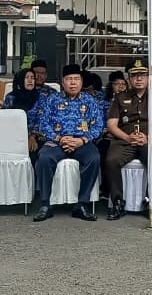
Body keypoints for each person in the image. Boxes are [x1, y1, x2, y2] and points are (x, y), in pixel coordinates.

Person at [32, 64, 104, 222]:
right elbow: (43, 125)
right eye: (69, 79)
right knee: (44, 159)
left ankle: (81, 204)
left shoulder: (89, 101)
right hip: (57, 142)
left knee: (94, 158)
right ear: (62, 82)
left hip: (82, 142)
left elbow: (98, 126)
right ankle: (45, 204)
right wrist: (59, 138)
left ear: (81, 81)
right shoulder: (52, 99)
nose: (73, 83)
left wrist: (82, 140)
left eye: (76, 79)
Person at [103, 60, 152, 220]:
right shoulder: (119, 97)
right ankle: (118, 202)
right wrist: (127, 137)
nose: (139, 79)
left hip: (150, 139)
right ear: (129, 79)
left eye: (142, 75)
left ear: (148, 78)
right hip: (125, 140)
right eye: (135, 76)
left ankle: (150, 200)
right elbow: (111, 125)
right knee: (111, 160)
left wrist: (149, 137)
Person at [1, 68, 42, 159]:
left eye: (32, 78)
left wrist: (32, 136)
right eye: (27, 77)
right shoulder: (10, 98)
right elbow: (5, 119)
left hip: (35, 136)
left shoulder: (40, 98)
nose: (30, 80)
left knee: (34, 151)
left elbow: (41, 120)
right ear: (20, 80)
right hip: (13, 136)